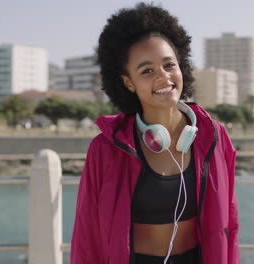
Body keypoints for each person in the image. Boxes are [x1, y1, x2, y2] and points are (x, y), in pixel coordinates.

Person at [70, 3, 240, 264]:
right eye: (147, 70)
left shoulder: (213, 136)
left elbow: (229, 221)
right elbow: (87, 234)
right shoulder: (105, 149)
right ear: (128, 82)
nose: (163, 77)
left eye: (169, 65)